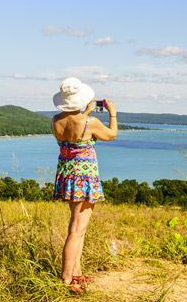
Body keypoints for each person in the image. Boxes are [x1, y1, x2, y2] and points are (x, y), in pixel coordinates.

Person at [51, 77, 118, 292]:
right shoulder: (90, 123)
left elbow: (73, 130)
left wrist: (86, 112)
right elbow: (111, 135)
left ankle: (76, 274)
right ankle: (67, 278)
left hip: (67, 177)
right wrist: (112, 113)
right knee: (76, 230)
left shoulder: (55, 120)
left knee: (78, 229)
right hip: (84, 179)